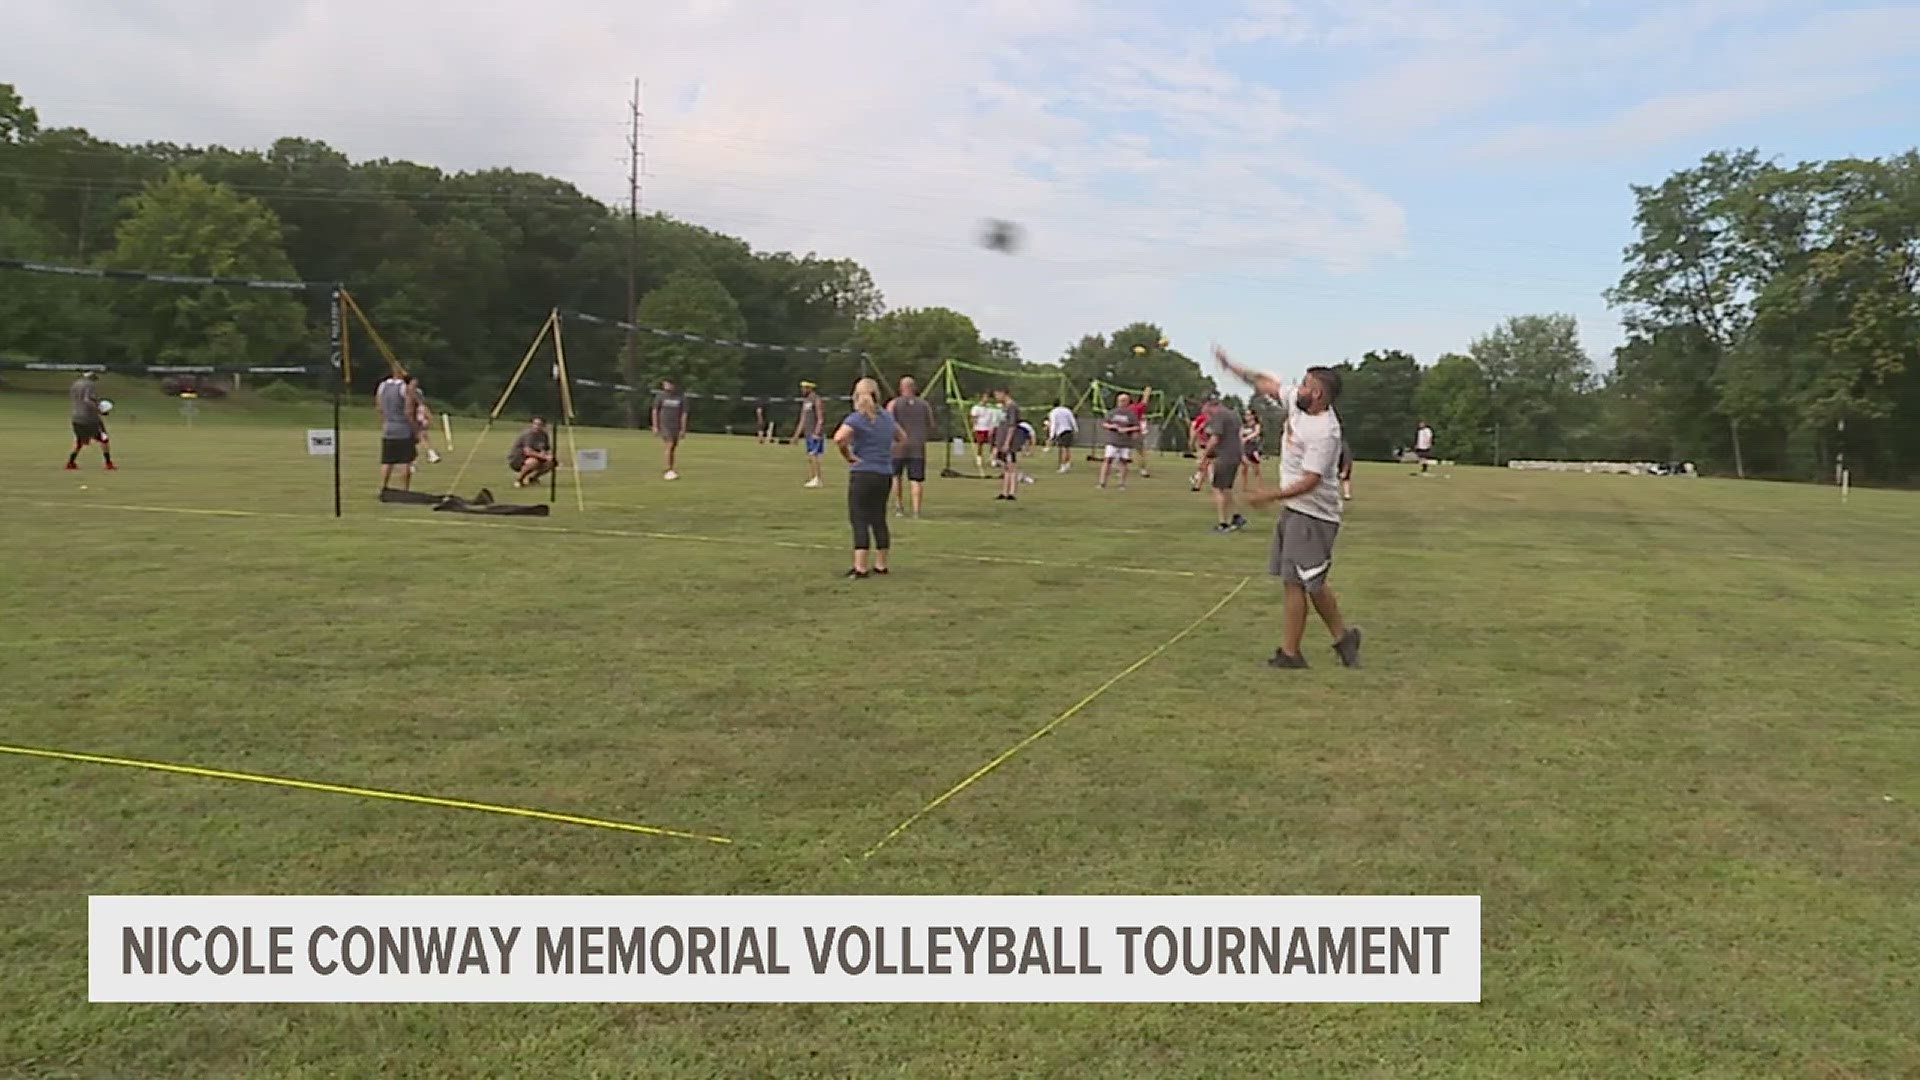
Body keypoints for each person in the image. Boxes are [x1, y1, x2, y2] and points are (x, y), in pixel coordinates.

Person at [1215, 345, 1363, 671]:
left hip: (1314, 514)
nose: (1301, 388)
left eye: (1309, 385)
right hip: (1295, 510)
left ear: (1321, 395)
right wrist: (1232, 367)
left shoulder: (1325, 431)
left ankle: (1316, 645)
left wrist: (1269, 496)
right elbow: (1265, 384)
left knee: (1308, 582)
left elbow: (1311, 480)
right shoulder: (1299, 403)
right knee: (1296, 581)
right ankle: (1309, 647)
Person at [834, 377, 905, 579]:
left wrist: (848, 456)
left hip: (863, 471)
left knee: (859, 518)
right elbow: (902, 438)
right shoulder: (887, 418)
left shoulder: (856, 418)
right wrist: (884, 451)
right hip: (884, 473)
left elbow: (839, 438)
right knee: (879, 518)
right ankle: (881, 564)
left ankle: (860, 567)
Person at [887, 376, 934, 518]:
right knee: (916, 480)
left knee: (896, 477)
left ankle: (899, 507)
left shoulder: (893, 404)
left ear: (901, 387)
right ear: (914, 387)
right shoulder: (925, 405)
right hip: (917, 446)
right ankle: (916, 511)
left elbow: (887, 423)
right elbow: (931, 425)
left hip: (897, 447)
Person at [1202, 399, 1249, 534]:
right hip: (1235, 455)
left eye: (1206, 409)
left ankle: (1223, 523)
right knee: (1227, 488)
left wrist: (1205, 455)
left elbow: (1215, 438)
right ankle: (1236, 517)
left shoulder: (1219, 415)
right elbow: (1239, 436)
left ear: (1210, 405)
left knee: (1218, 489)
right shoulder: (1234, 415)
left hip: (1225, 457)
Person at [376, 371, 420, 492]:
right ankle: (405, 489)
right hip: (403, 428)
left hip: (388, 427)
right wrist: (415, 429)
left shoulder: (382, 386)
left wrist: (385, 422)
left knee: (387, 460)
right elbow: (408, 411)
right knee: (405, 461)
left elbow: (379, 407)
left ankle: (383, 486)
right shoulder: (404, 388)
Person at [64, 371, 115, 471]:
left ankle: (70, 463)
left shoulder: (75, 384)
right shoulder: (90, 385)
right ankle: (108, 463)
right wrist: (99, 410)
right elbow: (87, 400)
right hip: (90, 418)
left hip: (76, 417)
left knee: (79, 441)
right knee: (104, 438)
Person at [1097, 393, 1140, 489]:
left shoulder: (1131, 414)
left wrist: (1127, 430)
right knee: (1107, 460)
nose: (1122, 402)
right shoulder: (1112, 412)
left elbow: (1136, 426)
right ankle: (1102, 483)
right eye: (1120, 400)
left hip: (1125, 442)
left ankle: (1121, 484)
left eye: (1124, 400)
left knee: (1123, 462)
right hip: (1112, 440)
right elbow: (1105, 424)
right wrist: (1113, 426)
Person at [652, 379, 688, 480]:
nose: (666, 386)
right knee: (669, 444)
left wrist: (683, 429)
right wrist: (655, 426)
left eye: (668, 384)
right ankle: (668, 469)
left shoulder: (681, 397)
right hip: (664, 425)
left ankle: (670, 467)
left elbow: (684, 414)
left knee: (672, 448)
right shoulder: (660, 396)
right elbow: (655, 411)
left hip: (675, 426)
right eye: (665, 384)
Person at [507, 416, 557, 488]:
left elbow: (544, 448)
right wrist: (544, 456)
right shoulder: (529, 434)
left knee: (551, 463)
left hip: (535, 456)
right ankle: (519, 480)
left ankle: (533, 479)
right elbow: (528, 452)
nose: (536, 426)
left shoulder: (544, 435)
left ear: (544, 425)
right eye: (535, 424)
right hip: (519, 458)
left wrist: (548, 455)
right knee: (533, 462)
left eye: (539, 424)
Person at [794, 381, 826, 488]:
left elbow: (820, 418)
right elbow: (803, 419)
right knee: (810, 456)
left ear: (810, 388)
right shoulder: (805, 401)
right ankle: (813, 477)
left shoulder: (816, 400)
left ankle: (817, 478)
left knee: (814, 455)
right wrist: (797, 435)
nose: (802, 390)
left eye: (804, 388)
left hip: (814, 433)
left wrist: (817, 432)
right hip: (808, 433)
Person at [992, 388, 1022, 501]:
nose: (996, 398)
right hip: (1001, 439)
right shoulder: (1003, 407)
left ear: (1003, 393)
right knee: (1005, 467)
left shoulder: (1012, 407)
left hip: (1009, 442)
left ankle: (1011, 492)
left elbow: (1012, 426)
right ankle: (1004, 492)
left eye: (997, 395)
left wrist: (1007, 442)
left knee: (1011, 466)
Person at [406, 375, 441, 464]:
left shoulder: (412, 394)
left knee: (418, 438)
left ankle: (429, 455)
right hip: (415, 419)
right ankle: (428, 455)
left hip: (414, 420)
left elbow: (422, 408)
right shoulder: (414, 393)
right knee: (418, 439)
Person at [968, 392, 997, 475]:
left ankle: (993, 459)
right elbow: (973, 417)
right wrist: (973, 427)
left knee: (993, 444)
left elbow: (993, 419)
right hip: (979, 428)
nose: (986, 399)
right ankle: (979, 459)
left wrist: (992, 428)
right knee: (980, 444)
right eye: (984, 397)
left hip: (988, 428)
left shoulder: (992, 408)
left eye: (987, 398)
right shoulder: (976, 407)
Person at [1047, 400, 1078, 473]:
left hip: (1061, 431)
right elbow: (1072, 420)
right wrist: (1076, 429)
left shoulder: (1053, 412)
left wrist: (1051, 436)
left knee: (1063, 449)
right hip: (1068, 430)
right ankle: (1067, 463)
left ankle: (1063, 466)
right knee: (1067, 448)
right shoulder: (1067, 410)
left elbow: (1053, 424)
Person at [1130, 388, 1153, 477]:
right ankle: (1143, 470)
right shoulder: (1135, 407)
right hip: (1133, 432)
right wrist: (1147, 392)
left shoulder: (1130, 408)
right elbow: (1145, 401)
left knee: (1140, 452)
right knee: (1140, 452)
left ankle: (1143, 470)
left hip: (1132, 432)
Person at [1240, 408, 1264, 493]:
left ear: (1253, 416)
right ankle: (1244, 487)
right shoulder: (1244, 425)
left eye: (1249, 415)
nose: (1247, 417)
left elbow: (1257, 432)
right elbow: (1240, 434)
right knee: (1244, 468)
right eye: (1246, 415)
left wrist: (1247, 438)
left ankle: (1259, 488)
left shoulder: (1256, 425)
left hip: (1254, 448)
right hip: (1245, 448)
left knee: (1256, 469)